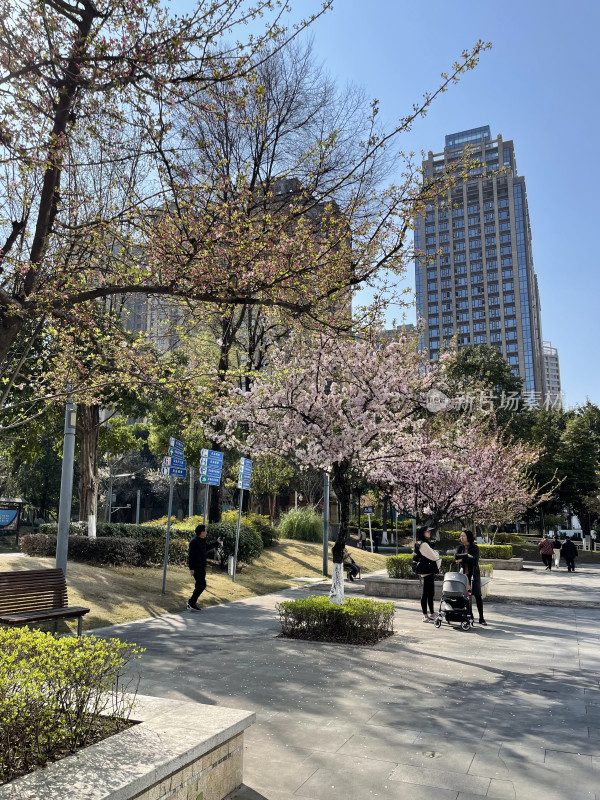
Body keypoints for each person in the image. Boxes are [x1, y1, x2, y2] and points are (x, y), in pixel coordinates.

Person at [455, 529, 487, 625]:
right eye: (461, 536)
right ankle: (470, 615)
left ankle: (481, 617)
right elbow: (456, 556)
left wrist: (462, 559)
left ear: (468, 537)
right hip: (464, 576)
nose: (461, 538)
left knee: (477, 595)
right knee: (466, 596)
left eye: (463, 536)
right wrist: (467, 555)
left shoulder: (475, 548)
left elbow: (475, 560)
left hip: (473, 574)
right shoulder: (460, 547)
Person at [187, 524, 222, 611]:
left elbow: (207, 547)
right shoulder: (194, 542)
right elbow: (190, 556)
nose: (206, 532)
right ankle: (191, 602)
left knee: (198, 584)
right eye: (205, 531)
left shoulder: (202, 540)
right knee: (202, 584)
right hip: (196, 567)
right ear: (201, 532)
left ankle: (191, 602)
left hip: (202, 566)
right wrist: (191, 569)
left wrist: (217, 542)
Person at [414, 526, 441, 622]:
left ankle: (432, 614)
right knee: (427, 593)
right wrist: (436, 553)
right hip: (427, 571)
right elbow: (434, 556)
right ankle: (426, 615)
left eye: (430, 531)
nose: (429, 532)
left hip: (428, 570)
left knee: (430, 593)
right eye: (427, 531)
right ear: (422, 533)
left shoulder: (423, 543)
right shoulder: (424, 544)